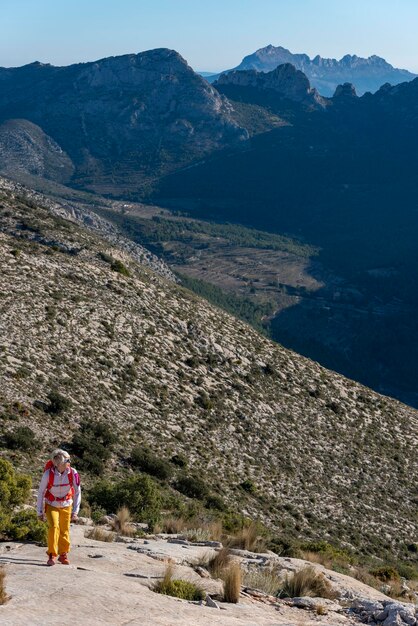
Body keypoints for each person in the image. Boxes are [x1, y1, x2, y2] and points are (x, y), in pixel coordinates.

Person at [37, 449, 81, 566]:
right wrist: (39, 512)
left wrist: (75, 512)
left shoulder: (73, 473)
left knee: (64, 529)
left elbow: (77, 492)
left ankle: (63, 554)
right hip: (52, 504)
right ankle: (52, 555)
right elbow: (41, 492)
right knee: (54, 527)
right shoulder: (48, 474)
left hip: (67, 504)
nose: (69, 463)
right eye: (67, 461)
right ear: (58, 463)